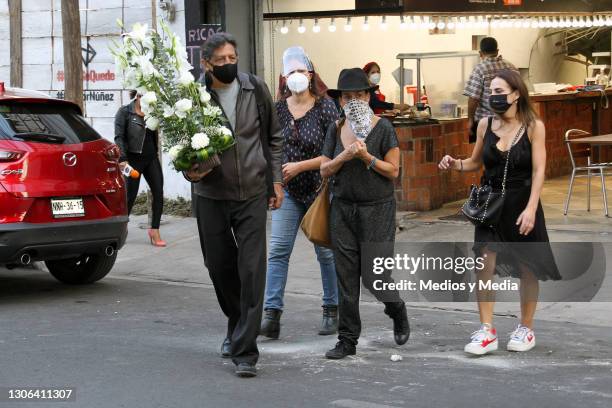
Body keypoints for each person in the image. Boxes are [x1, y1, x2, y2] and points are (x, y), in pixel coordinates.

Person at [439, 69, 561, 356]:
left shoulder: (533, 126)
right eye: (490, 92)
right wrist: (454, 163)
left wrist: (531, 208)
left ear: (516, 93)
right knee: (484, 262)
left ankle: (526, 328)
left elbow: (539, 169)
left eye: (499, 91)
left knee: (527, 267)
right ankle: (486, 330)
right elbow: (473, 162)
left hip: (521, 202)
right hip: (489, 204)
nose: (494, 97)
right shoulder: (484, 125)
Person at [186, 32, 284, 377]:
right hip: (211, 195)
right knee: (219, 266)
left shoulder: (254, 88)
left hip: (253, 192)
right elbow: (180, 144)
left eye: (233, 58)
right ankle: (237, 321)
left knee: (253, 270)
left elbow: (273, 137)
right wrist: (190, 172)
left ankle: (245, 350)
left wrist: (275, 181)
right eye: (221, 60)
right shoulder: (191, 96)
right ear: (206, 63)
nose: (229, 64)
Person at [320, 68, 410, 359]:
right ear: (340, 101)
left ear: (369, 97)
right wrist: (345, 155)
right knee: (345, 276)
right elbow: (324, 168)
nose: (353, 100)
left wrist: (367, 157)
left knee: (376, 277)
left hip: (377, 210)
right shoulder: (336, 128)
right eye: (347, 97)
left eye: (359, 94)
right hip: (343, 209)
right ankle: (347, 339)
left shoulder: (383, 128)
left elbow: (393, 171)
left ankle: (396, 308)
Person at [260, 47, 340, 339]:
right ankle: (271, 314)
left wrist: (300, 166)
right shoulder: (277, 109)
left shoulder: (326, 108)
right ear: (283, 78)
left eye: (301, 71)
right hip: (288, 193)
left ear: (311, 74)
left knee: (325, 252)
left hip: (320, 191)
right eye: (290, 72)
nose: (296, 77)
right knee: (279, 251)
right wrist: (276, 181)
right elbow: (270, 149)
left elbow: (334, 153)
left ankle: (332, 309)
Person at [114, 90, 166, 247]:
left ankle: (154, 230)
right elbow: (119, 137)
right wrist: (122, 159)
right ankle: (121, 228)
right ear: (137, 96)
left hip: (151, 158)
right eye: (144, 97)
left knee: (158, 192)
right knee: (130, 196)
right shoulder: (124, 112)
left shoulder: (153, 111)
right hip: (132, 160)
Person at [464, 37, 517, 143]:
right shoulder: (511, 67)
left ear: (480, 53)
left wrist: (470, 120)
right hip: (510, 121)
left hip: (487, 122)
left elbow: (473, 98)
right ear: (497, 51)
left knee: (483, 156)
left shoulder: (480, 69)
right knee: (506, 153)